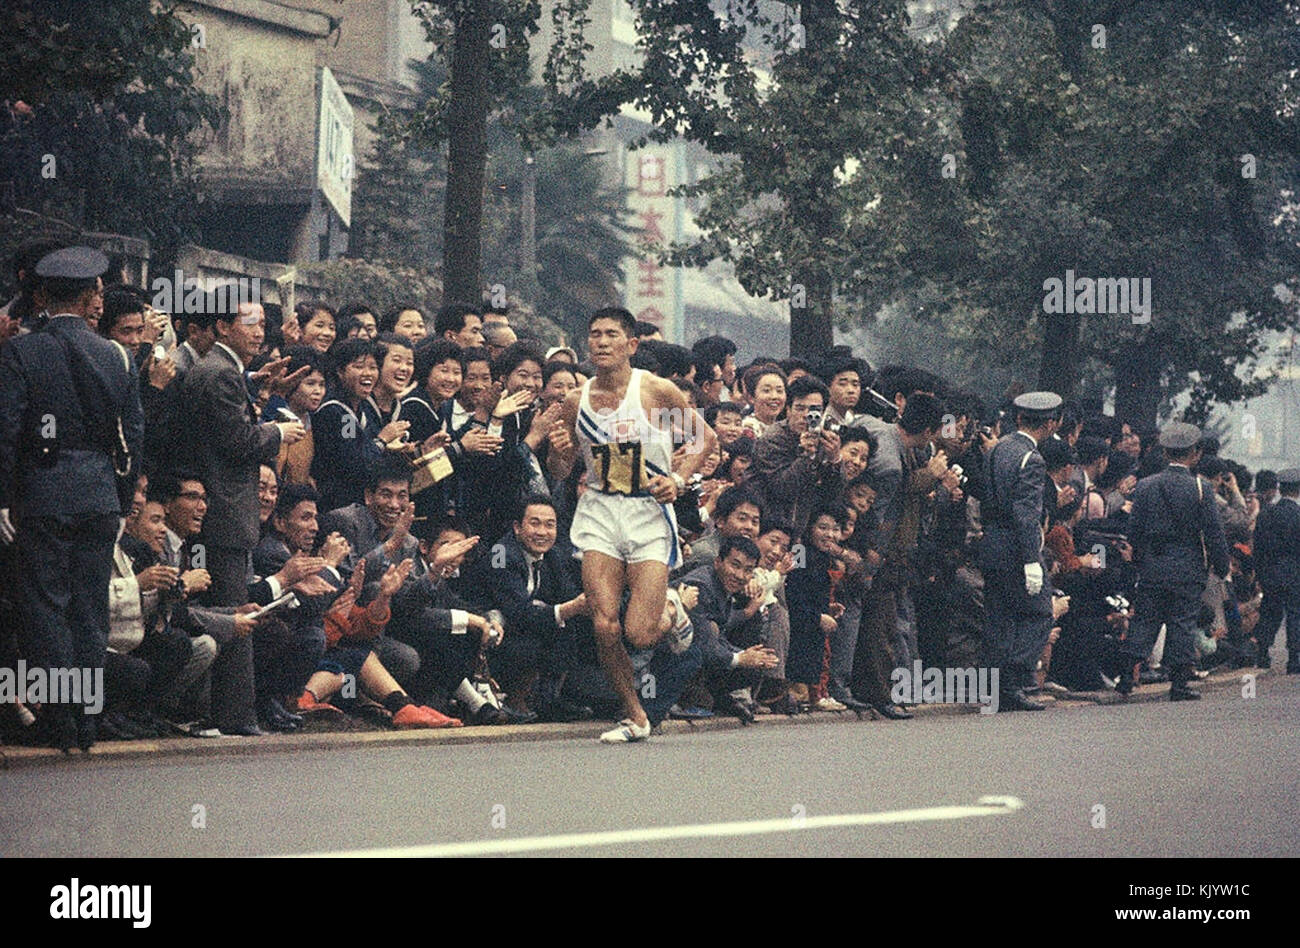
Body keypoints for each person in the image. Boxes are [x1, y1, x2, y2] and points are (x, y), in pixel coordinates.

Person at [0, 246, 145, 750]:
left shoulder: (21, 352)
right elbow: (133, 437)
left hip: (42, 495)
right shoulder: (117, 355)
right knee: (90, 612)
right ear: (88, 298)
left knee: (45, 609)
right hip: (100, 494)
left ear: (42, 297)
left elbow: (7, 430)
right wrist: (123, 501)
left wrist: (3, 498)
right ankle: (87, 719)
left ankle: (61, 718)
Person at [550, 307, 717, 742]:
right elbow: (563, 467)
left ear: (631, 345)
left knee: (639, 634)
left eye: (611, 335)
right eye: (594, 334)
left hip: (646, 512)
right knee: (604, 623)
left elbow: (704, 441)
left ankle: (672, 612)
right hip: (602, 510)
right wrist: (559, 450)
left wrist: (677, 481)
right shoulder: (577, 401)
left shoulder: (654, 392)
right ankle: (635, 714)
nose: (601, 342)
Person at [173, 292, 306, 735]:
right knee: (236, 616)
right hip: (225, 512)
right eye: (248, 322)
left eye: (262, 323)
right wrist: (278, 431)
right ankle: (236, 716)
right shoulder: (220, 374)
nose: (259, 330)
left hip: (222, 510)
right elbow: (238, 441)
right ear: (223, 326)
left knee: (231, 611)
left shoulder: (224, 371)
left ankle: (227, 712)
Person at [1118, 422, 1230, 700]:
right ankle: (1179, 684)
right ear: (1195, 454)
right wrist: (1222, 565)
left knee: (1145, 620)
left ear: (1165, 453)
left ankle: (1125, 677)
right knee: (1182, 622)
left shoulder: (1145, 486)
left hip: (1153, 566)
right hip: (1189, 566)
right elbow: (1214, 533)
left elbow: (1134, 531)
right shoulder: (1201, 488)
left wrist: (1141, 561)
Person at [978, 391, 1062, 712]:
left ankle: (994, 686)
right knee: (1040, 613)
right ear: (1051, 423)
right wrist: (1032, 560)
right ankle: (1012, 680)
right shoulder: (1032, 458)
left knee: (999, 616)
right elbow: (1026, 515)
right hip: (1015, 547)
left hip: (992, 542)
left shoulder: (996, 450)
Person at [1249, 467, 1300, 673]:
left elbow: (1258, 547)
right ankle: (1294, 659)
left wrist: (1258, 574)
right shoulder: (1298, 516)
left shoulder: (1266, 514)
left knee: (1270, 611)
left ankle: (1262, 652)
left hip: (1269, 571)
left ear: (1280, 489)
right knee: (1295, 614)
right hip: (1294, 572)